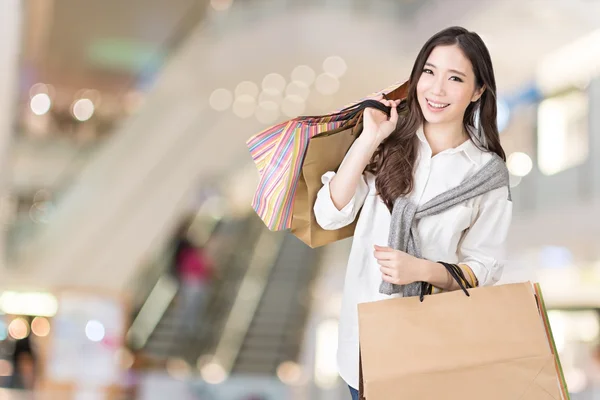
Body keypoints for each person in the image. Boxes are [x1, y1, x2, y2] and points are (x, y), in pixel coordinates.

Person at [313, 26, 513, 399]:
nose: (436, 90)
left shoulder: (487, 175)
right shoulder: (387, 145)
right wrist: (369, 137)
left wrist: (422, 271)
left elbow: (486, 266)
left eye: (455, 78)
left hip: (432, 350)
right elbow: (329, 214)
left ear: (478, 91)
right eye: (429, 72)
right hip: (363, 347)